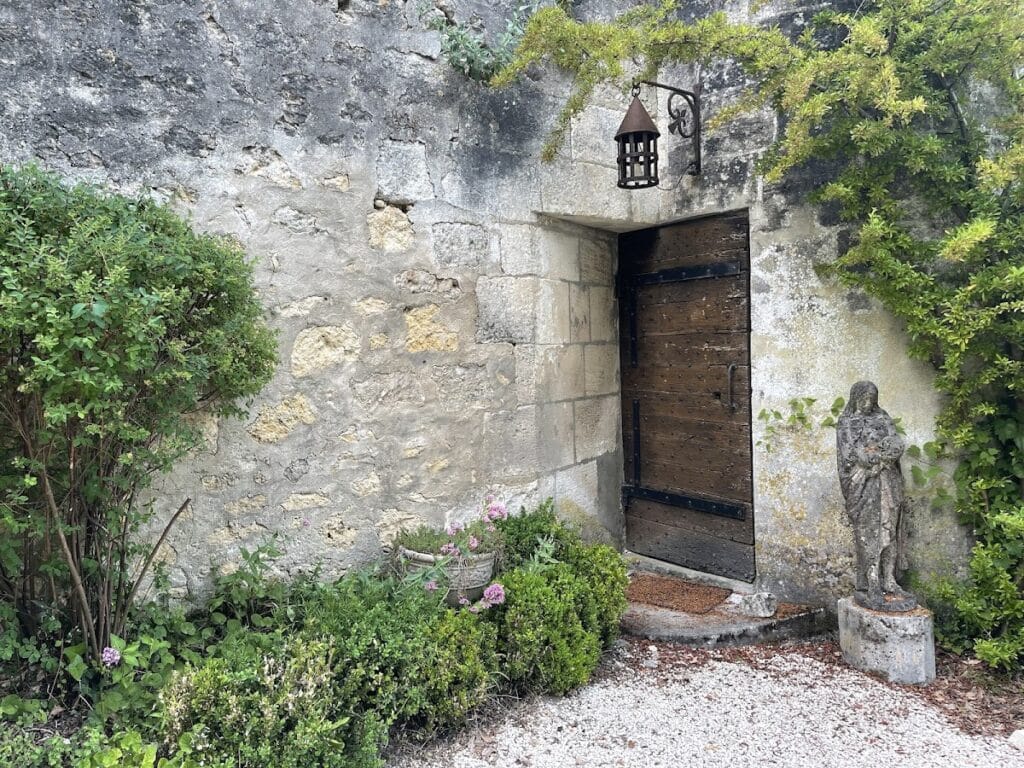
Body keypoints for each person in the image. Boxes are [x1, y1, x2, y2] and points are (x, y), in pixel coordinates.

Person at [836, 381, 916, 611]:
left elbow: (895, 443)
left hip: (888, 481)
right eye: (864, 398)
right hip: (865, 485)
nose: (868, 403)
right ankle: (871, 583)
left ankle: (889, 580)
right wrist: (874, 457)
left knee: (889, 530)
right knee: (869, 533)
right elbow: (849, 455)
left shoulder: (883, 418)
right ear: (855, 398)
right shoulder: (846, 422)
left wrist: (880, 455)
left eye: (872, 399)